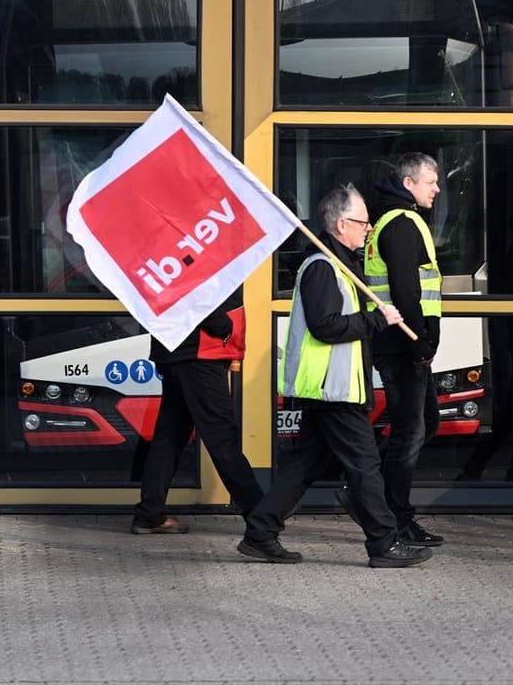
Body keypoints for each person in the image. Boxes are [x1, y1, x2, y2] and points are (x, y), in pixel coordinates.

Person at [238, 185, 431, 568]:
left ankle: (260, 533)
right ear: (341, 224)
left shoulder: (339, 262)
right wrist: (377, 319)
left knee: (304, 465)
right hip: (332, 387)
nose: (369, 229)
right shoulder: (323, 267)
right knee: (365, 465)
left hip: (334, 386)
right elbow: (326, 326)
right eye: (362, 222)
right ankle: (383, 542)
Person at [131, 289, 263, 535]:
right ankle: (261, 515)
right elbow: (195, 288)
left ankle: (149, 513)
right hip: (201, 351)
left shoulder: (180, 251)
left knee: (170, 436)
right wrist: (222, 326)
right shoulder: (203, 251)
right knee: (222, 437)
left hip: (180, 350)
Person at [365, 152, 446, 548]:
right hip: (402, 345)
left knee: (424, 424)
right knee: (411, 431)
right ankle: (394, 515)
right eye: (431, 181)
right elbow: (405, 289)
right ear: (409, 183)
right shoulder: (400, 222)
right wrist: (420, 340)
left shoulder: (395, 219)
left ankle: (370, 490)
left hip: (403, 344)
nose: (437, 188)